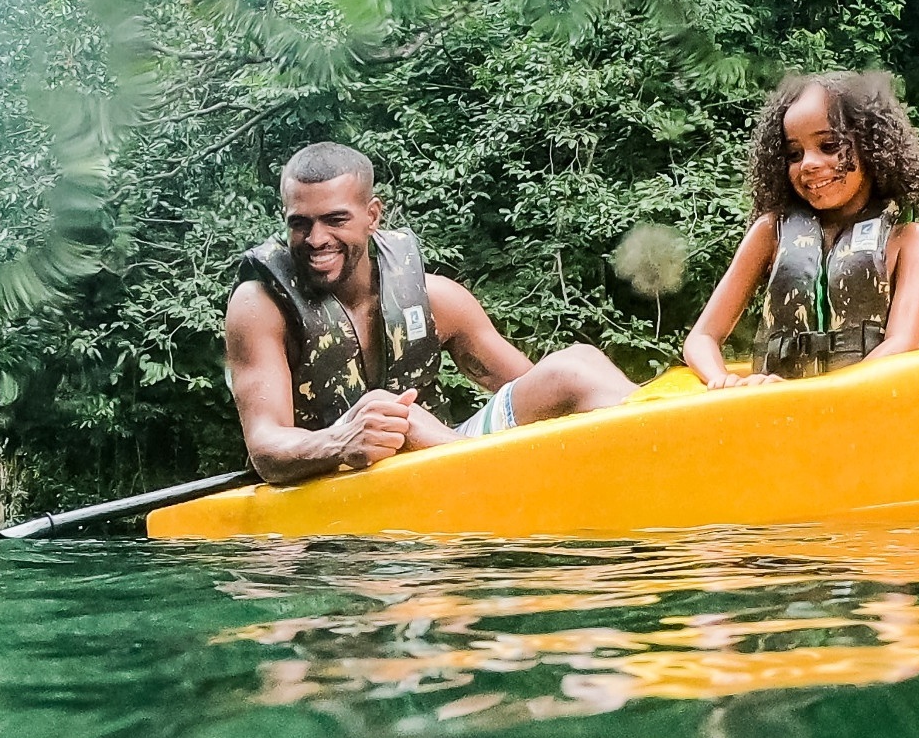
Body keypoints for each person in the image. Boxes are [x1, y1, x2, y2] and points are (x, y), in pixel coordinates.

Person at [226, 143, 634, 484]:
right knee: (401, 422)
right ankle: (491, 472)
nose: (316, 239)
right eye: (300, 224)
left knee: (576, 365)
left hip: (443, 461)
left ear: (372, 216)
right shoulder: (260, 307)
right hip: (333, 483)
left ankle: (660, 446)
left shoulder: (437, 299)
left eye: (335, 220)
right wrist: (340, 441)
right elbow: (265, 448)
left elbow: (531, 394)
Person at [683, 70, 919, 388]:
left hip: (862, 409)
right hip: (777, 409)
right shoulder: (770, 231)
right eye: (794, 154)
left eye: (829, 146)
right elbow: (702, 337)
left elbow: (903, 344)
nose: (808, 164)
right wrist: (723, 380)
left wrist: (823, 396)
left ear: (872, 146)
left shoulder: (909, 238)